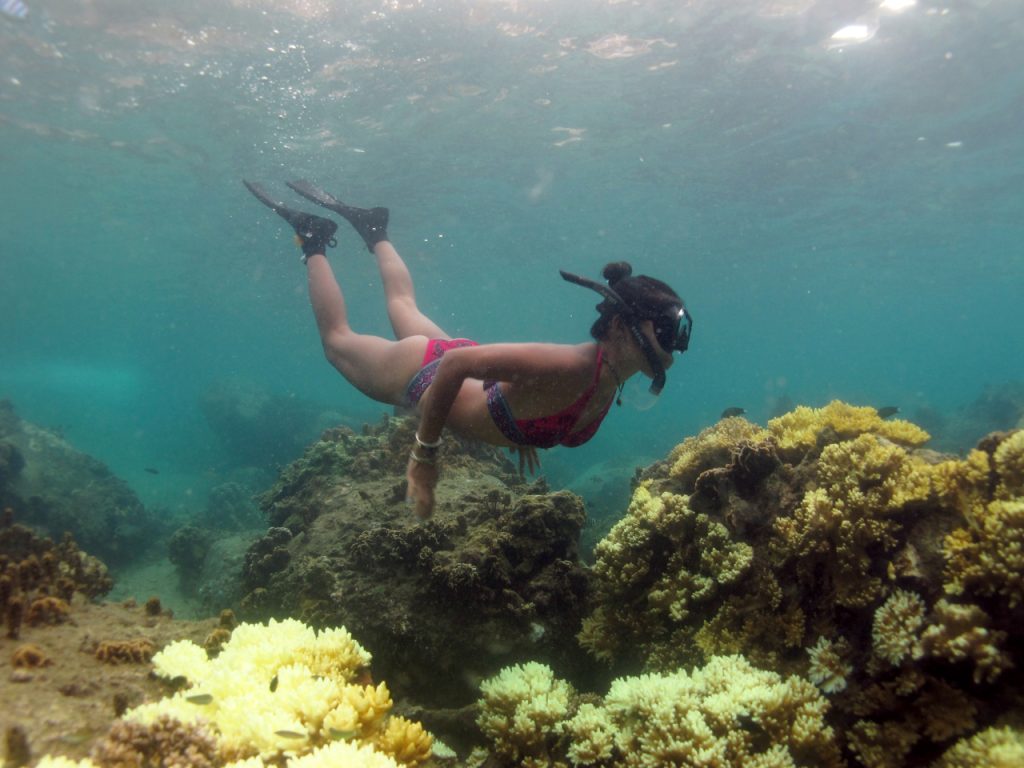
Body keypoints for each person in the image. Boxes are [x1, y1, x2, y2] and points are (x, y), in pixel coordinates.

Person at [244, 180, 693, 518]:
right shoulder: (572, 366)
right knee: (336, 342)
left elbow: (531, 397)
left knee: (403, 304)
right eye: (669, 332)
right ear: (619, 326)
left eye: (680, 333)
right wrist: (424, 459)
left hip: (451, 363)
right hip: (425, 372)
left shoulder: (602, 375)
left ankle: (374, 230)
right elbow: (457, 364)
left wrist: (522, 427)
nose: (676, 347)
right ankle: (314, 239)